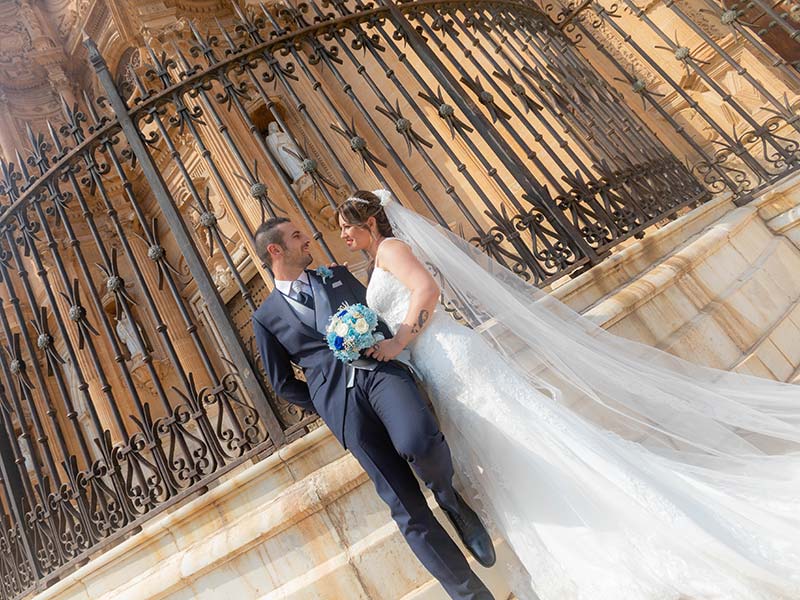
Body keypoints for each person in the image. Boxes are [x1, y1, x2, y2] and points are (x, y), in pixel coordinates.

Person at [336, 189, 800, 600]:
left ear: (370, 222)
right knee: (507, 446)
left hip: (452, 357)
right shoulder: (377, 260)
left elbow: (426, 290)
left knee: (522, 437)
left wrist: (397, 341)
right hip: (438, 366)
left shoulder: (393, 248)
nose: (342, 236)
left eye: (346, 227)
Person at [251, 217, 496, 600]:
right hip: (342, 408)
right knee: (406, 509)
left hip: (380, 373)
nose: (309, 237)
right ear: (276, 251)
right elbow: (282, 382)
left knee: (419, 440)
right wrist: (325, 403)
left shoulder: (335, 277)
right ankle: (470, 595)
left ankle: (450, 498)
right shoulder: (264, 317)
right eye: (297, 236)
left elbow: (377, 316)